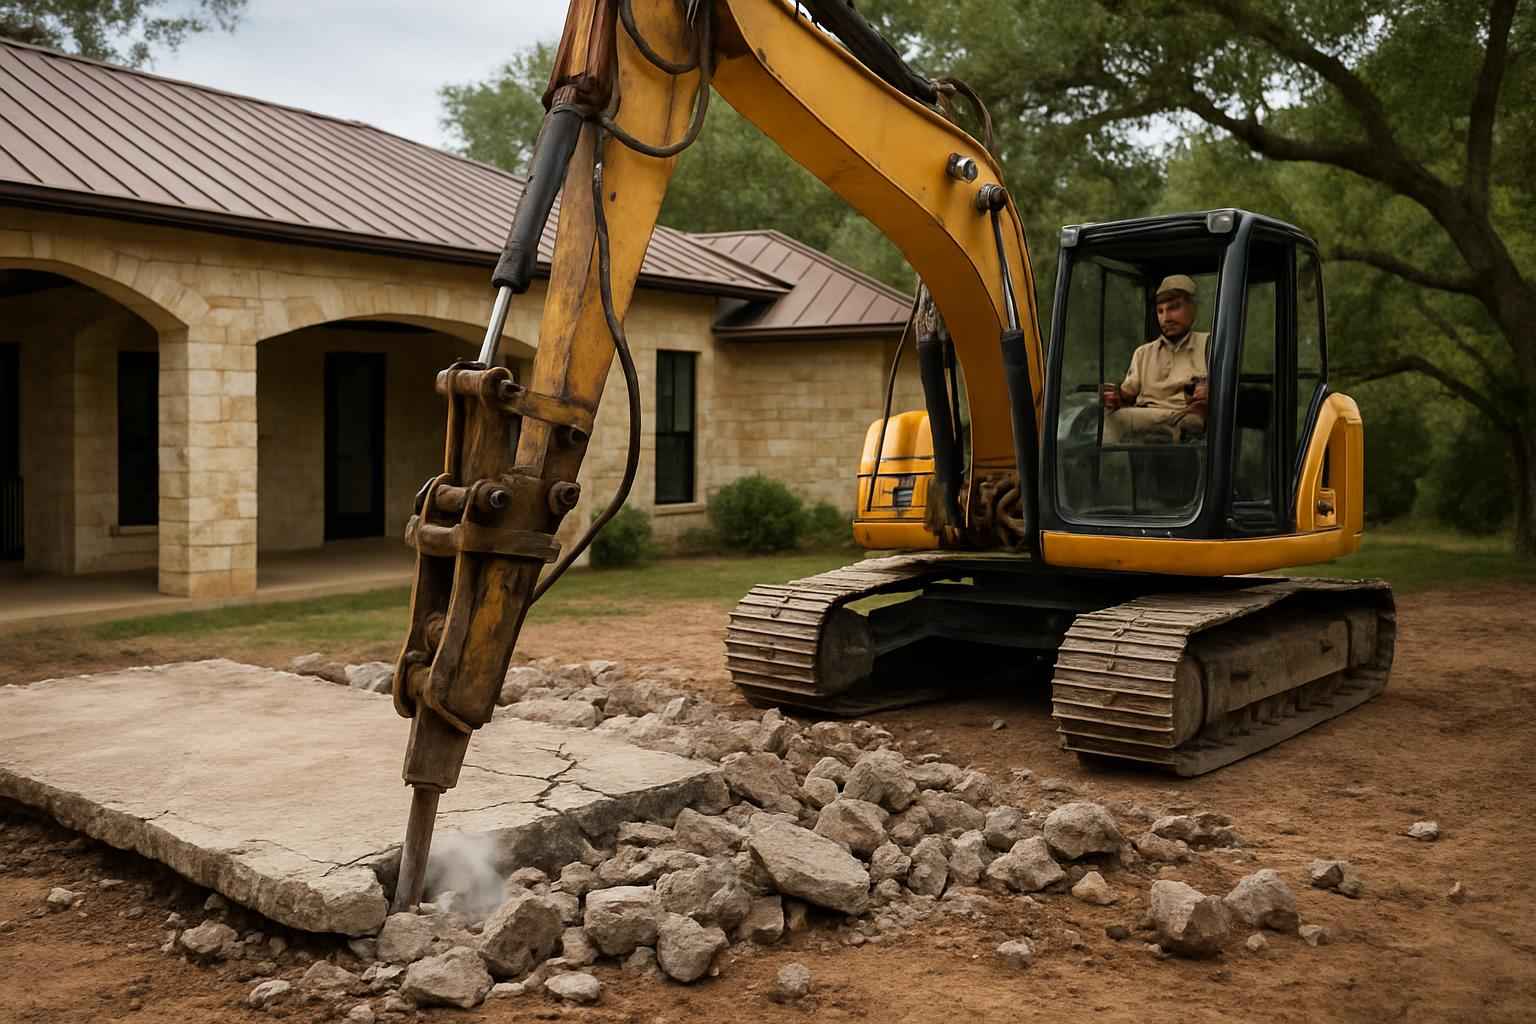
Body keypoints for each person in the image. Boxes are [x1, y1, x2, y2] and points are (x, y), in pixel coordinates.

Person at [1101, 274, 1210, 443]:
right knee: (1106, 418)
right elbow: (1126, 396)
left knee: (1192, 422)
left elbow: (1226, 393)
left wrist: (1212, 392)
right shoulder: (1143, 353)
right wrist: (1115, 398)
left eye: (1174, 308)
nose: (1166, 318)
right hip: (1146, 418)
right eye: (1160, 311)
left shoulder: (1209, 345)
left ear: (1192, 308)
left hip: (1185, 416)